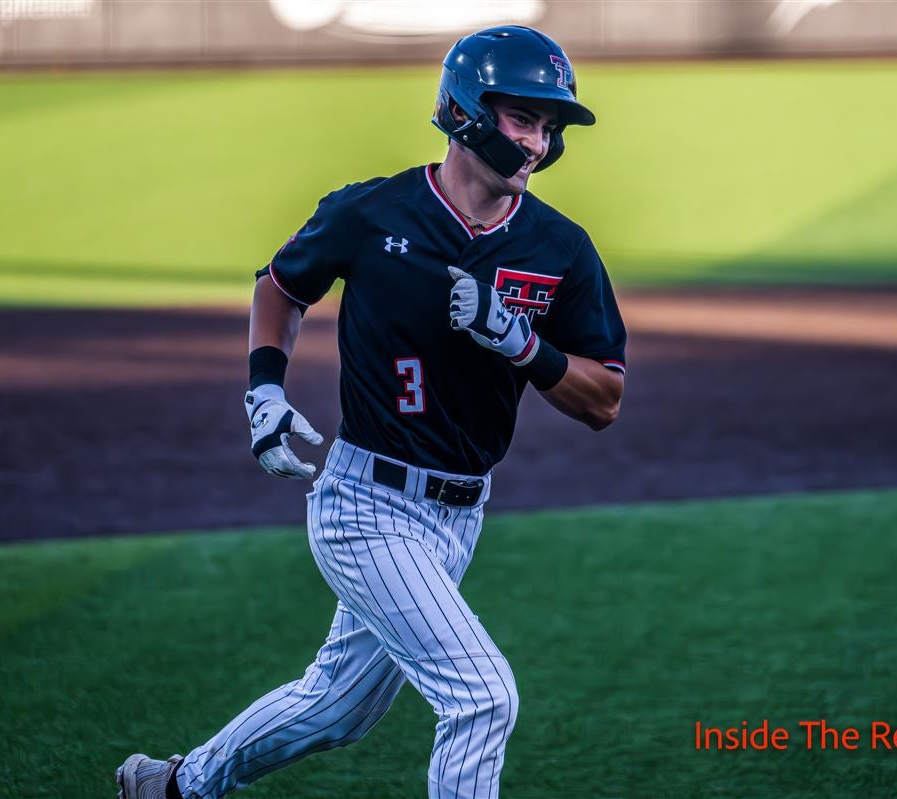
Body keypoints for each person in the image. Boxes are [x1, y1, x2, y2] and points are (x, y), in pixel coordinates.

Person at [115, 25, 626, 799]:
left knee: (338, 707)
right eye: (524, 118)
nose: (537, 142)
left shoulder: (561, 248)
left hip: (460, 516)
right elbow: (281, 286)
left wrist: (522, 343)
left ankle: (175, 787)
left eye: (549, 127)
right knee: (483, 695)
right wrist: (264, 391)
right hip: (365, 505)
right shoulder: (373, 213)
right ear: (465, 110)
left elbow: (604, 399)